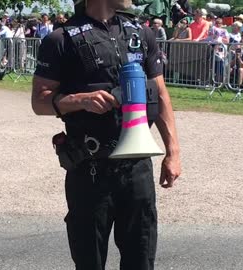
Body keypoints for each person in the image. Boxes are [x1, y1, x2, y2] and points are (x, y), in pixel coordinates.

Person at [31, 0, 181, 268]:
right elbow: (39, 101)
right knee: (90, 260)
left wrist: (173, 152)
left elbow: (160, 94)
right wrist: (79, 100)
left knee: (141, 259)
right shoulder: (60, 39)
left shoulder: (140, 34)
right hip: (90, 169)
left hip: (137, 166)